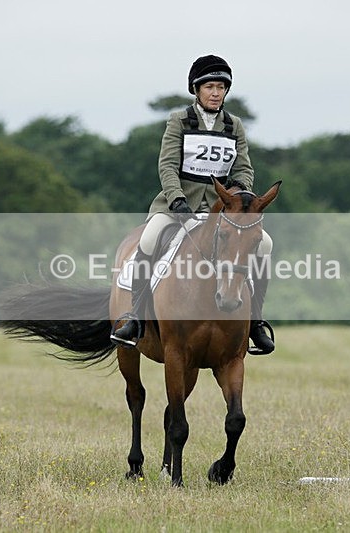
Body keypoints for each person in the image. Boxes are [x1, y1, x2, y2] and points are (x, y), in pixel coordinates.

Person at [110, 54, 275, 354]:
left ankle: (255, 322)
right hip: (176, 208)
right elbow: (168, 166)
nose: (216, 93)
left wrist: (238, 198)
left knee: (264, 244)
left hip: (221, 212)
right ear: (197, 90)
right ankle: (136, 317)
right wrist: (177, 200)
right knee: (148, 239)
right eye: (210, 86)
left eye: (221, 87)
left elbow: (243, 169)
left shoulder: (233, 125)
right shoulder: (179, 121)